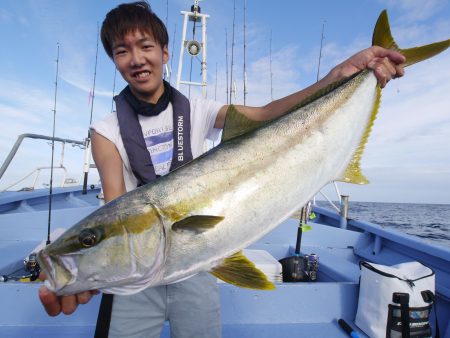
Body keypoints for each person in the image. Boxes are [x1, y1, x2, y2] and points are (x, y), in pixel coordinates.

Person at [38, 1, 406, 337]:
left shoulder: (198, 110)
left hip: (198, 261)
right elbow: (115, 210)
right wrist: (89, 267)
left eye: (146, 46)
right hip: (139, 276)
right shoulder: (107, 130)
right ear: (114, 60)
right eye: (122, 51)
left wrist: (343, 75)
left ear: (165, 53)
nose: (136, 59)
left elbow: (266, 115)